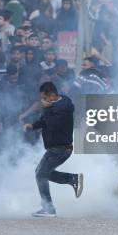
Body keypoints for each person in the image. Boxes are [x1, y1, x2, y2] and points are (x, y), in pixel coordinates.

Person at [23, 81, 83, 217]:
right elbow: (44, 121)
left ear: (51, 95)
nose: (42, 101)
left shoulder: (63, 108)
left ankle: (49, 208)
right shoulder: (55, 105)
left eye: (44, 97)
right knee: (41, 172)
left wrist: (46, 109)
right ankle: (72, 179)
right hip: (55, 148)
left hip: (61, 149)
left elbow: (52, 125)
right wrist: (32, 126)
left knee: (40, 174)